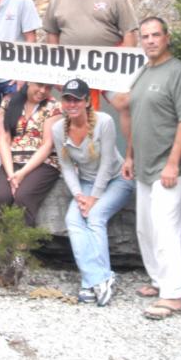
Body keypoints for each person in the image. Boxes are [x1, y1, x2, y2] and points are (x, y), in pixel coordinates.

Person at [121, 16, 181, 320]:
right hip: (143, 164)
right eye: (145, 36)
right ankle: (158, 280)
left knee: (166, 229)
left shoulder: (179, 73)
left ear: (167, 37)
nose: (150, 41)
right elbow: (136, 118)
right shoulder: (143, 72)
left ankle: (174, 295)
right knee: (146, 227)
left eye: (156, 35)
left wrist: (172, 163)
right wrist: (129, 156)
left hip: (171, 169)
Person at [51, 78, 134, 306]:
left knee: (95, 216)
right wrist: (79, 195)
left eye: (77, 99)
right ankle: (98, 279)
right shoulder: (58, 129)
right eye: (67, 99)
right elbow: (66, 166)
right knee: (73, 219)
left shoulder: (104, 121)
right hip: (86, 184)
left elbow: (108, 163)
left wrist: (92, 199)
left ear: (87, 101)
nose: (72, 103)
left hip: (117, 180)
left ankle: (94, 282)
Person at [43, 0, 139, 109]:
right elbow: (52, 33)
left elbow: (130, 32)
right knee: (74, 112)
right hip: (71, 68)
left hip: (107, 68)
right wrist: (55, 70)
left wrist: (124, 69)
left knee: (124, 104)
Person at [0, 82, 63, 227]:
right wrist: (11, 174)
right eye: (39, 85)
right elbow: (4, 139)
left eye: (48, 87)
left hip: (44, 162)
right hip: (13, 160)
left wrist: (22, 173)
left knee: (23, 196)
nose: (43, 90)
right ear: (28, 82)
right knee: (4, 197)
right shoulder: (8, 102)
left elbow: (47, 145)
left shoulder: (54, 107)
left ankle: (20, 247)